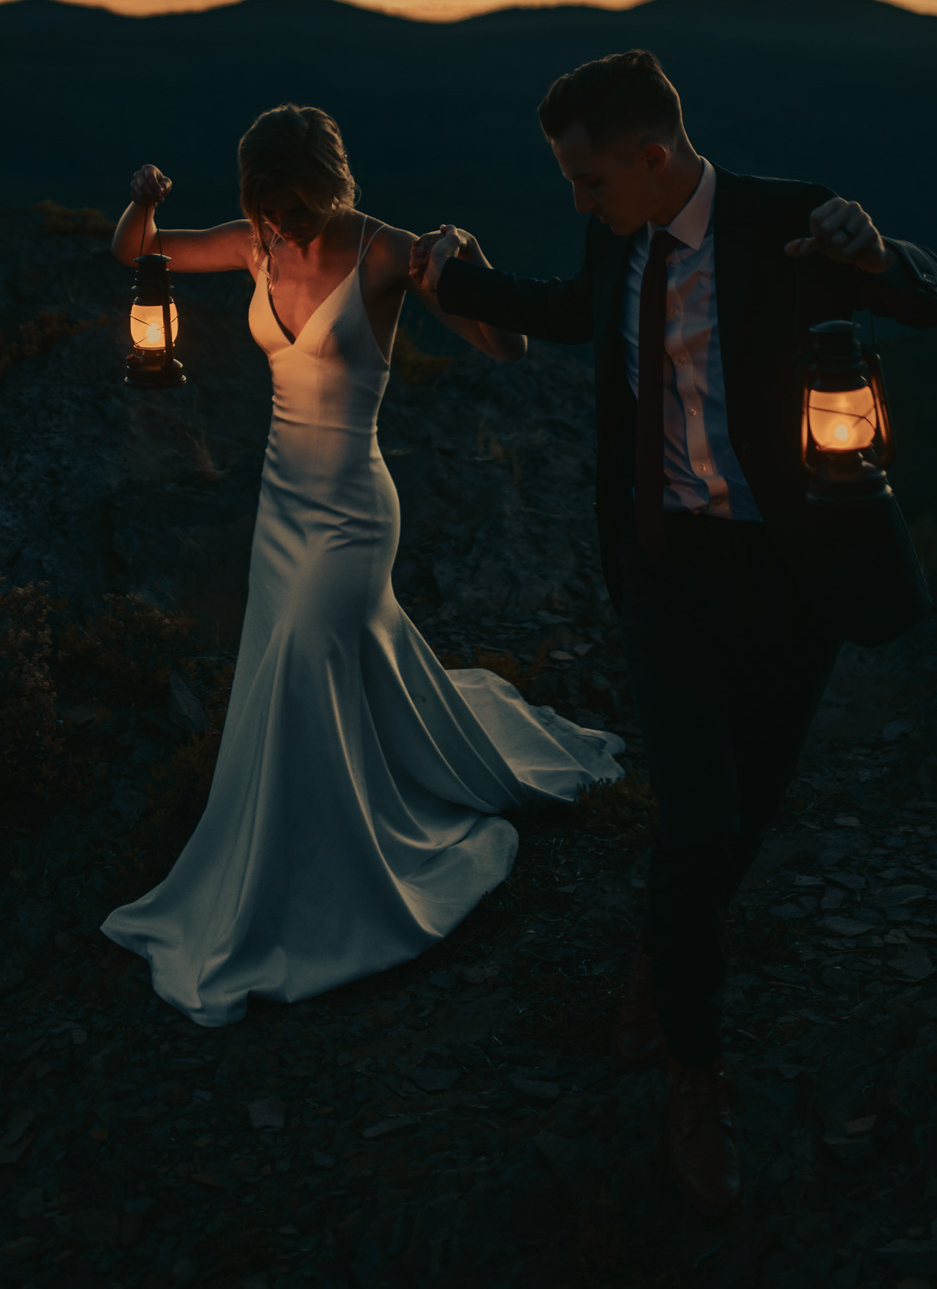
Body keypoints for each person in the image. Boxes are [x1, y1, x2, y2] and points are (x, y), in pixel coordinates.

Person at [412, 49, 937, 1214]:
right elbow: (569, 313)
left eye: (588, 181)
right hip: (666, 572)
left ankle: (670, 951)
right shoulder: (625, 232)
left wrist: (878, 254)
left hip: (791, 574)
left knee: (744, 816)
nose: (580, 203)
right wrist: (463, 280)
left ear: (652, 158)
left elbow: (932, 297)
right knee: (695, 817)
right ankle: (695, 1077)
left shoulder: (791, 223)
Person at [99, 102, 625, 1027]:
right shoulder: (254, 243)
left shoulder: (386, 253)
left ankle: (334, 880)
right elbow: (136, 252)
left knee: (306, 655)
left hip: (350, 508)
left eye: (297, 212)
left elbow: (509, 347)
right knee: (285, 671)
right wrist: (142, 203)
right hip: (280, 505)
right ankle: (289, 847)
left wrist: (467, 270)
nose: (284, 232)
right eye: (269, 214)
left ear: (331, 191)